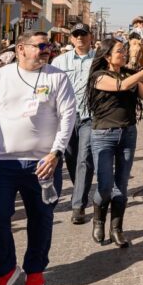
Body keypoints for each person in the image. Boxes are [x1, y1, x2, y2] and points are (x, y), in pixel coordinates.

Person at [0, 31, 76, 285]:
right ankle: (5, 270)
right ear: (21, 49)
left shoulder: (57, 77)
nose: (47, 50)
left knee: (41, 219)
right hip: (1, 162)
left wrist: (56, 152)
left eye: (49, 46)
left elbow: (67, 117)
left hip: (43, 163)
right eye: (41, 45)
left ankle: (35, 272)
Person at [86, 38, 143, 248]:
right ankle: (98, 219)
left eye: (125, 51)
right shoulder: (98, 77)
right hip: (103, 135)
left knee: (122, 185)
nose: (124, 54)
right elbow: (122, 86)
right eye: (120, 51)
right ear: (107, 55)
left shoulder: (129, 74)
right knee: (106, 185)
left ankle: (117, 229)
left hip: (128, 133)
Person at [51, 23, 95, 226]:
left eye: (83, 34)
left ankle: (78, 205)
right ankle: (81, 189)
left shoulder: (99, 60)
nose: (80, 38)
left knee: (84, 159)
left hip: (89, 116)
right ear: (71, 39)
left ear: (90, 36)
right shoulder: (59, 61)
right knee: (70, 158)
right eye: (76, 35)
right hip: (66, 118)